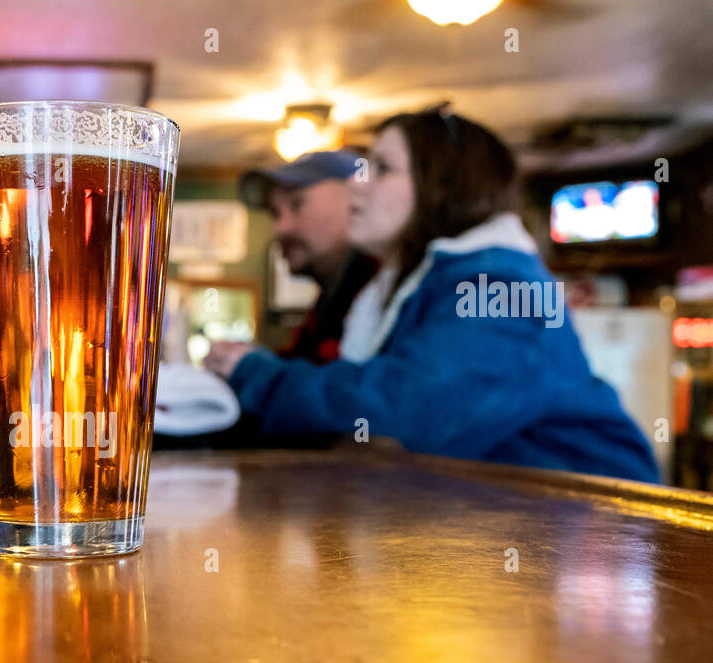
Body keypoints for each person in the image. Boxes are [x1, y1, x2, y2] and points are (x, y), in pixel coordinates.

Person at [206, 109, 658, 483]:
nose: (358, 185)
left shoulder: (500, 282)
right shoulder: (423, 279)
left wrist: (257, 374)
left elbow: (407, 410)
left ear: (442, 184)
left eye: (381, 169)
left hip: (596, 540)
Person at [239, 150, 378, 364]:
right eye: (275, 214)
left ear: (357, 198)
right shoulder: (328, 304)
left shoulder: (386, 292)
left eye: (297, 204)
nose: (280, 228)